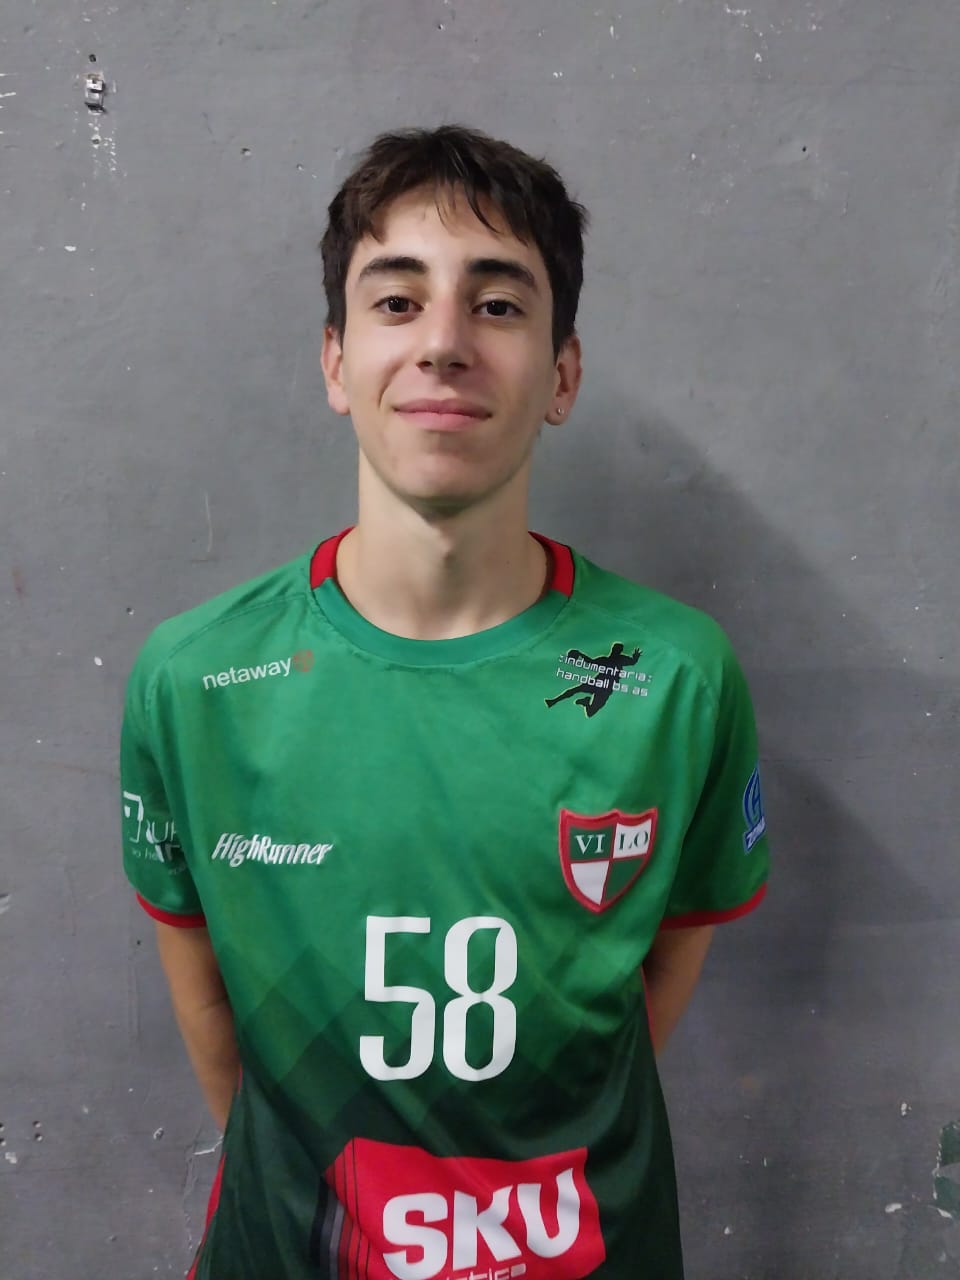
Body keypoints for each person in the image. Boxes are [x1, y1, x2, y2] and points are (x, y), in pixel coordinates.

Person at [120, 124, 770, 1280]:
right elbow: (217, 1021)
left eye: (499, 304)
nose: (444, 344)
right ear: (336, 362)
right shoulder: (194, 679)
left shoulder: (677, 677)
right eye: (397, 300)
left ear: (561, 374)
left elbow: (650, 985)